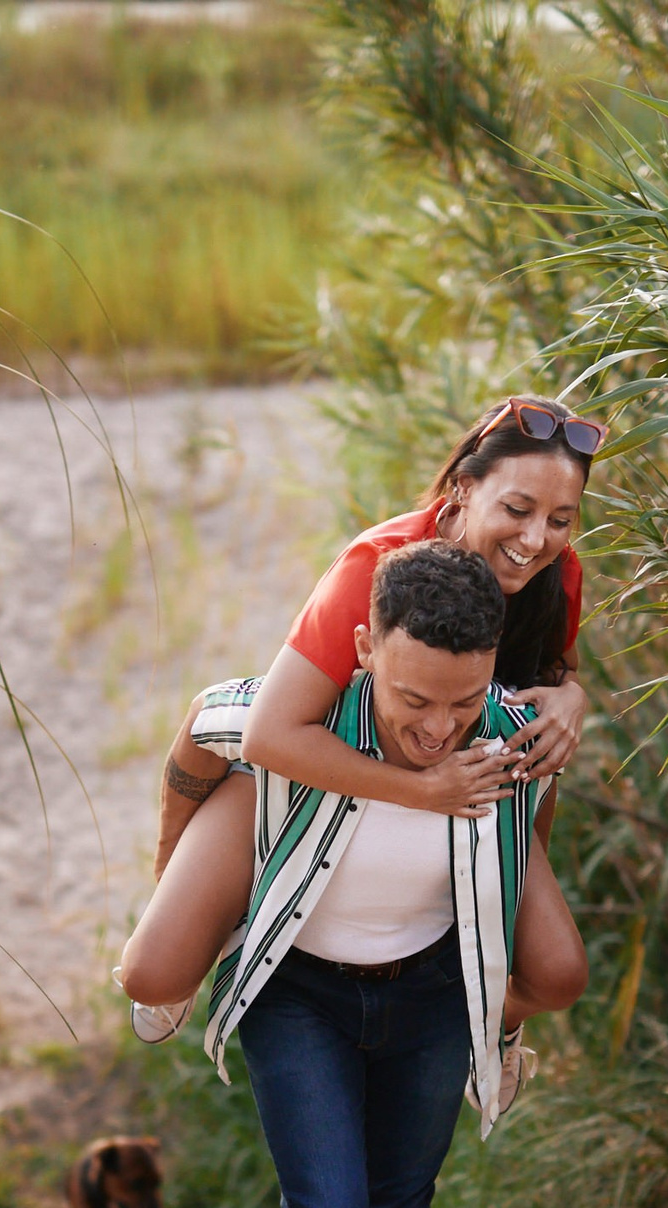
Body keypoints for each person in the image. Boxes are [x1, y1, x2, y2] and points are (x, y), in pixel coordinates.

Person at [116, 397, 604, 1096]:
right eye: (518, 509)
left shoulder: (554, 575)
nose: (537, 537)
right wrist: (421, 790)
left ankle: (490, 1018)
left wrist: (571, 696)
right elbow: (269, 732)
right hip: (326, 759)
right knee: (153, 969)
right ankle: (210, 915)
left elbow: (551, 674)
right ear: (463, 488)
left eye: (561, 519)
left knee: (558, 965)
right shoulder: (376, 565)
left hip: (465, 777)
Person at [160, 540, 566, 1208]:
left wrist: (493, 998)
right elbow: (206, 725)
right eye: (414, 698)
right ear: (364, 650)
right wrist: (172, 874)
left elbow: (526, 845)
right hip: (300, 995)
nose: (440, 727)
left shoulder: (512, 743)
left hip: (430, 998)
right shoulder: (290, 728)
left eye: (464, 700)